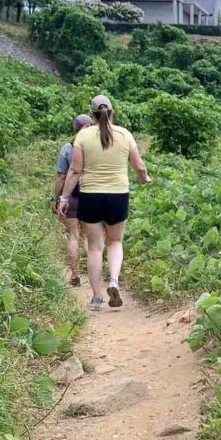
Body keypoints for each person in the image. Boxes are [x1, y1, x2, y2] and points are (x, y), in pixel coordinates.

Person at [59, 95, 151, 310]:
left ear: (92, 114)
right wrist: (145, 178)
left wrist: (64, 198)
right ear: (112, 112)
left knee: (94, 248)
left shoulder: (83, 135)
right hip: (118, 195)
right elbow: (139, 166)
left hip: (90, 195)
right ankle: (114, 281)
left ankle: (97, 297)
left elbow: (74, 170)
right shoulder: (124, 134)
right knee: (115, 242)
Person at [52, 114, 93, 287]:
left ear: (74, 128)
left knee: (73, 236)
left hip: (71, 196)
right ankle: (95, 273)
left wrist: (57, 198)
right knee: (90, 238)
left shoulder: (68, 148)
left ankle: (76, 275)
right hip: (92, 194)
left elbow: (62, 177)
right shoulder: (96, 146)